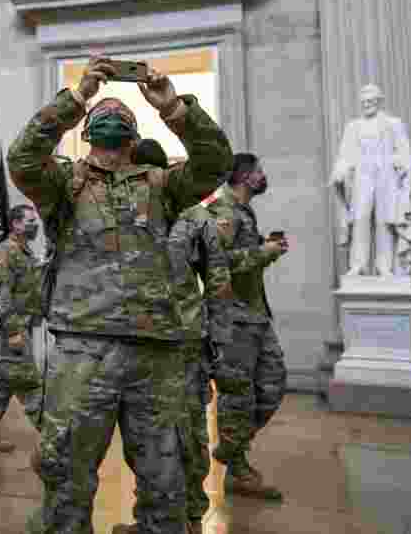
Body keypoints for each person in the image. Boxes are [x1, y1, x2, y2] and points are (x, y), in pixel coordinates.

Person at [8, 56, 232, 534]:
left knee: (165, 480)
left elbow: (215, 163)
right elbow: (23, 159)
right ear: (88, 132)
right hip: (83, 350)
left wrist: (172, 108)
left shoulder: (164, 184)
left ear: (132, 136)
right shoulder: (63, 183)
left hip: (157, 355)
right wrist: (77, 97)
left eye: (122, 116)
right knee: (66, 474)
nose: (112, 119)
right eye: (101, 116)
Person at [114, 138, 235, 534]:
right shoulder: (176, 214)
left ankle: (184, 519)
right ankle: (162, 518)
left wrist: (216, 343)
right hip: (161, 340)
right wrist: (219, 342)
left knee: (174, 434)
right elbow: (219, 283)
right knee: (159, 434)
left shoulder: (186, 216)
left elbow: (216, 281)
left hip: (171, 342)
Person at [208, 153, 288, 500]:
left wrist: (263, 249)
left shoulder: (244, 212)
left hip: (255, 315)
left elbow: (243, 262)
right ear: (243, 176)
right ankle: (237, 469)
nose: (263, 176)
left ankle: (230, 445)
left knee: (272, 383)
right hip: (232, 319)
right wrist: (264, 252)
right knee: (238, 394)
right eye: (258, 171)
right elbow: (217, 263)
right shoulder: (224, 210)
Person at [0, 203, 45, 453]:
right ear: (15, 224)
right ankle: (51, 436)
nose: (34, 224)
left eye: (35, 220)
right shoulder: (5, 252)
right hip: (11, 328)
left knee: (2, 381)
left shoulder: (24, 252)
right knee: (28, 380)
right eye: (29, 220)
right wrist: (13, 330)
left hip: (20, 325)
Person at [330, 84, 411, 276]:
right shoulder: (353, 127)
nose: (367, 104)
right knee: (360, 219)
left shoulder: (393, 123)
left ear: (378, 102)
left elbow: (404, 152)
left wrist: (401, 165)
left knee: (383, 221)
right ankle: (358, 265)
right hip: (362, 178)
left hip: (386, 178)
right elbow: (345, 154)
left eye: (371, 101)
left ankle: (383, 267)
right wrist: (340, 171)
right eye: (364, 102)